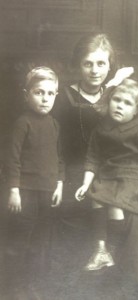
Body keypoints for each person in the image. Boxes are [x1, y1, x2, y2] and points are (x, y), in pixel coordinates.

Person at [75, 78, 138, 299]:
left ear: (137, 109)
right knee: (97, 197)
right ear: (109, 100)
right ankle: (101, 249)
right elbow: (93, 157)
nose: (119, 105)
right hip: (109, 173)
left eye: (127, 103)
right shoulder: (102, 128)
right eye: (116, 100)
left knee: (116, 206)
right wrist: (85, 183)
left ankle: (115, 249)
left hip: (134, 175)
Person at [52, 33, 133, 220]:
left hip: (110, 169)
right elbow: (56, 145)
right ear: (78, 65)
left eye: (101, 64)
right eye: (88, 64)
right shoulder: (64, 97)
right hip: (74, 170)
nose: (95, 71)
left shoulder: (117, 96)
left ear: (110, 65)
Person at [4, 66, 65, 299]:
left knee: (41, 241)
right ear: (26, 95)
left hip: (47, 193)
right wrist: (14, 190)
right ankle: (15, 287)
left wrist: (59, 184)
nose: (45, 98)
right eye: (39, 92)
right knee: (22, 239)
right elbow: (13, 158)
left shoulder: (55, 124)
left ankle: (33, 285)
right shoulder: (23, 123)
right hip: (26, 193)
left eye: (50, 94)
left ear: (56, 96)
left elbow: (60, 159)